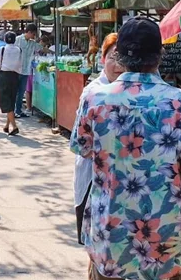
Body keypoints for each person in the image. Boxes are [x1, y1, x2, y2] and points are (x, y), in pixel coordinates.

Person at [71, 17, 181, 280]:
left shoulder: (94, 99)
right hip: (165, 236)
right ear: (160, 55)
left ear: (119, 55)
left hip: (110, 233)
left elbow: (83, 148)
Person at [72, 33, 122, 245]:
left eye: (123, 58)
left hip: (119, 182)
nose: (118, 65)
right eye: (112, 57)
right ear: (102, 59)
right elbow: (79, 145)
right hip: (94, 178)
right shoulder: (93, 92)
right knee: (96, 244)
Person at [0, 32, 23, 135]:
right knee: (11, 100)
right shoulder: (19, 50)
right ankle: (7, 125)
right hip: (15, 76)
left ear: (5, 39)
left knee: (6, 102)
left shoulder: (2, 49)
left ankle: (14, 126)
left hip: (4, 76)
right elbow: (20, 64)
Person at [15, 23, 41, 117]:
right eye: (33, 34)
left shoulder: (32, 43)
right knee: (15, 91)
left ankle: (18, 110)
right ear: (29, 32)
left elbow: (41, 48)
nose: (34, 36)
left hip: (26, 71)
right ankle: (14, 110)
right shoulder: (17, 40)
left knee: (22, 92)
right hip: (16, 70)